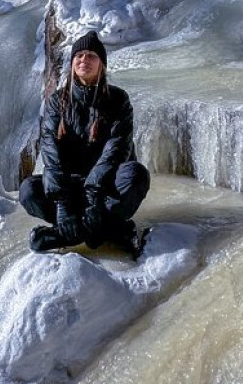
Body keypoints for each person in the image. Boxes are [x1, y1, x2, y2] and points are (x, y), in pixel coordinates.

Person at [20, 29, 150, 256]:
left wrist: (93, 196)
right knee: (28, 190)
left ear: (102, 64)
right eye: (79, 56)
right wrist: (62, 204)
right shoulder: (56, 102)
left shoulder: (118, 100)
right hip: (69, 189)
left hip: (105, 188)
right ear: (72, 63)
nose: (84, 60)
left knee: (136, 175)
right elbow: (50, 152)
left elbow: (117, 150)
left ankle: (65, 234)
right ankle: (109, 230)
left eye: (91, 56)